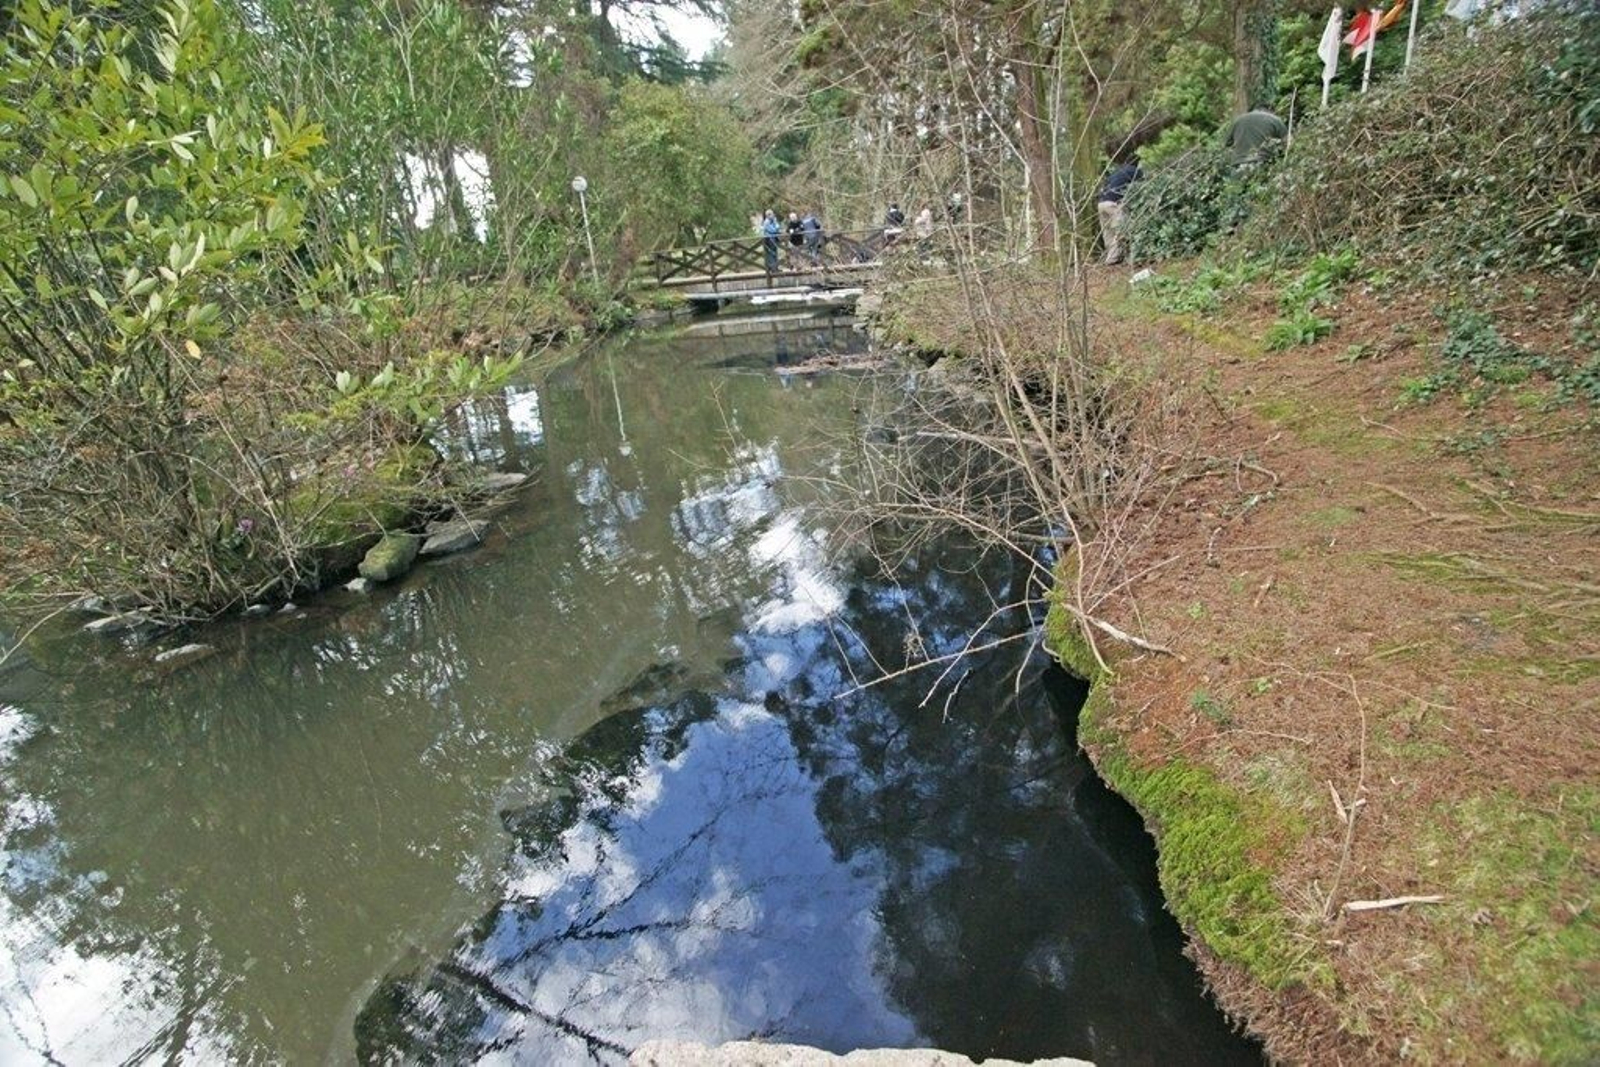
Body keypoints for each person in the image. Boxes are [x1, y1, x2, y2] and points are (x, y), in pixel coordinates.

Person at [1096, 154, 1141, 266]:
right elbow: (1141, 186)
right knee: (1120, 229)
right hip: (1113, 203)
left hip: (1101, 203)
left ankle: (1110, 258)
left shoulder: (1117, 172)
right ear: (1136, 163)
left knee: (1107, 231)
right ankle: (1117, 257)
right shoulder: (1134, 171)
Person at [1223, 105, 1288, 166]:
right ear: (1271, 110)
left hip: (1238, 163)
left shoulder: (1238, 120)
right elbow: (1287, 144)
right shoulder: (1275, 119)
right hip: (1262, 162)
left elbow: (1226, 143)